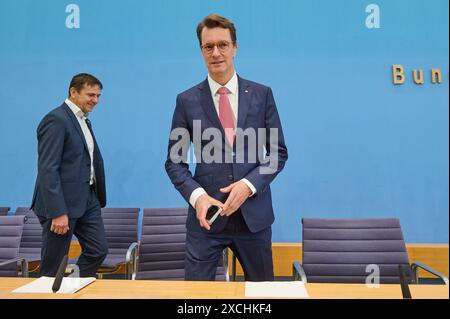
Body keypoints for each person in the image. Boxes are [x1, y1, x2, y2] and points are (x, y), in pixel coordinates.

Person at [165, 14, 288, 281]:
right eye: (209, 47)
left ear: (235, 47)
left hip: (254, 219)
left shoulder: (262, 94)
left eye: (223, 44)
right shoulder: (186, 101)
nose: (216, 52)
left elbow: (278, 153)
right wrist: (197, 197)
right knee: (196, 300)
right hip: (206, 220)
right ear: (201, 51)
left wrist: (249, 185)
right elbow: (175, 161)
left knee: (262, 295)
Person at [31, 73, 108, 277]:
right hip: (61, 203)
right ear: (73, 92)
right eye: (91, 95)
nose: (96, 100)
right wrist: (57, 211)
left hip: (87, 198)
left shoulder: (83, 120)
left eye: (98, 96)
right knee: (53, 265)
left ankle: (71, 285)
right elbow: (48, 168)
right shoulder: (56, 120)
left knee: (98, 250)